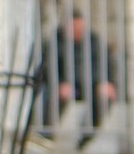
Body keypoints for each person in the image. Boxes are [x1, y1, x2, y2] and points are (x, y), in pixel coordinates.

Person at [40, 10, 116, 146]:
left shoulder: (94, 41)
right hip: (66, 85)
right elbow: (48, 67)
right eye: (74, 27)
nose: (78, 31)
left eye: (80, 27)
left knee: (103, 98)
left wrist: (105, 82)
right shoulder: (55, 41)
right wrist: (59, 83)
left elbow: (106, 64)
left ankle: (86, 137)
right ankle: (46, 137)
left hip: (91, 85)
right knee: (55, 95)